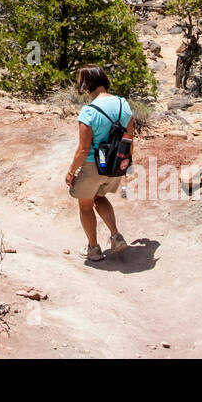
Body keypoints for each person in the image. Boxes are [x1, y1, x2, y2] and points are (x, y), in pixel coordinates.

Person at [65, 65, 131, 261]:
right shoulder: (123, 104)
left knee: (85, 205)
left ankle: (93, 249)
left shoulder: (88, 111)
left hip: (93, 165)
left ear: (86, 85)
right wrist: (127, 165)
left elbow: (83, 148)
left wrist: (71, 172)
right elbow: (129, 139)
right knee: (99, 197)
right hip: (115, 165)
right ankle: (116, 237)